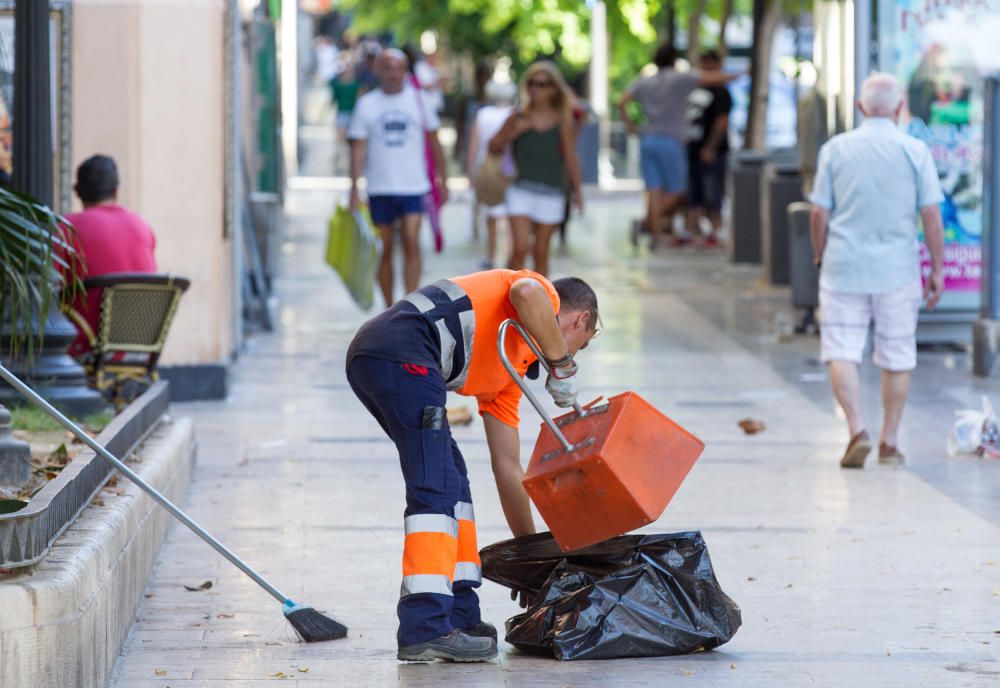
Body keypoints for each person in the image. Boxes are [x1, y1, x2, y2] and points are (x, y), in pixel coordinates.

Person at [346, 269, 600, 661]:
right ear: (580, 320)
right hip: (400, 350)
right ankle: (424, 626)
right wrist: (563, 365)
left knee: (454, 480)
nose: (572, 354)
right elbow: (525, 290)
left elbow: (508, 468)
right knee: (435, 487)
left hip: (388, 357)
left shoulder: (508, 375)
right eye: (580, 346)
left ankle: (461, 614)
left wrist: (529, 558)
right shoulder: (542, 295)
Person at [809, 72, 945, 468]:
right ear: (901, 108)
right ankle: (889, 441)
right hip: (898, 270)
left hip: (843, 266)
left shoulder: (836, 149)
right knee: (897, 354)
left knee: (841, 349)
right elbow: (931, 215)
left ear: (860, 107)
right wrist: (936, 267)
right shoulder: (915, 150)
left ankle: (857, 429)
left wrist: (821, 252)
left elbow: (819, 211)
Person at [348, 49, 448, 307]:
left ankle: (410, 304)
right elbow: (357, 148)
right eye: (387, 67)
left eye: (398, 67)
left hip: (414, 186)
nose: (393, 73)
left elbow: (435, 142)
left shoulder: (419, 100)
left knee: (412, 242)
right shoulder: (367, 104)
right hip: (380, 187)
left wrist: (443, 180)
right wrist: (353, 188)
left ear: (405, 71)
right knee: (385, 248)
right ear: (377, 70)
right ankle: (390, 306)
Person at [617, 44, 740, 249]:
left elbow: (621, 102)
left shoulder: (644, 82)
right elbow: (713, 78)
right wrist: (742, 73)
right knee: (678, 190)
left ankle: (654, 234)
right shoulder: (679, 79)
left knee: (654, 189)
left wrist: (630, 125)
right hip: (671, 140)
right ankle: (648, 224)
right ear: (674, 60)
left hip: (648, 139)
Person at [488, 62, 582, 276]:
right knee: (520, 248)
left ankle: (540, 306)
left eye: (542, 84)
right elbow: (493, 147)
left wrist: (578, 191)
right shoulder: (518, 116)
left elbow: (570, 156)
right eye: (531, 83)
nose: (535, 89)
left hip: (551, 191)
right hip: (520, 189)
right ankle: (508, 299)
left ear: (553, 89)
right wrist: (514, 133)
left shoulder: (561, 119)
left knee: (541, 252)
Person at [63, 155, 157, 357]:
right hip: (138, 350)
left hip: (85, 347)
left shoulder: (66, 228)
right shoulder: (142, 228)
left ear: (77, 192)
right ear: (116, 190)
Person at [466, 80, 517, 269]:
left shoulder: (482, 114)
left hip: (486, 168)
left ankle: (490, 255)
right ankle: (512, 255)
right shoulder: (514, 114)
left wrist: (471, 171)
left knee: (491, 215)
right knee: (511, 213)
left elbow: (474, 144)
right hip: (509, 168)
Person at [684, 50, 733, 247]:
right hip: (693, 148)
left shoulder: (722, 93)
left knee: (713, 191)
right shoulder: (693, 90)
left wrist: (711, 147)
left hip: (714, 150)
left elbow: (722, 122)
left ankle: (716, 229)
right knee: (693, 192)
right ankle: (691, 229)